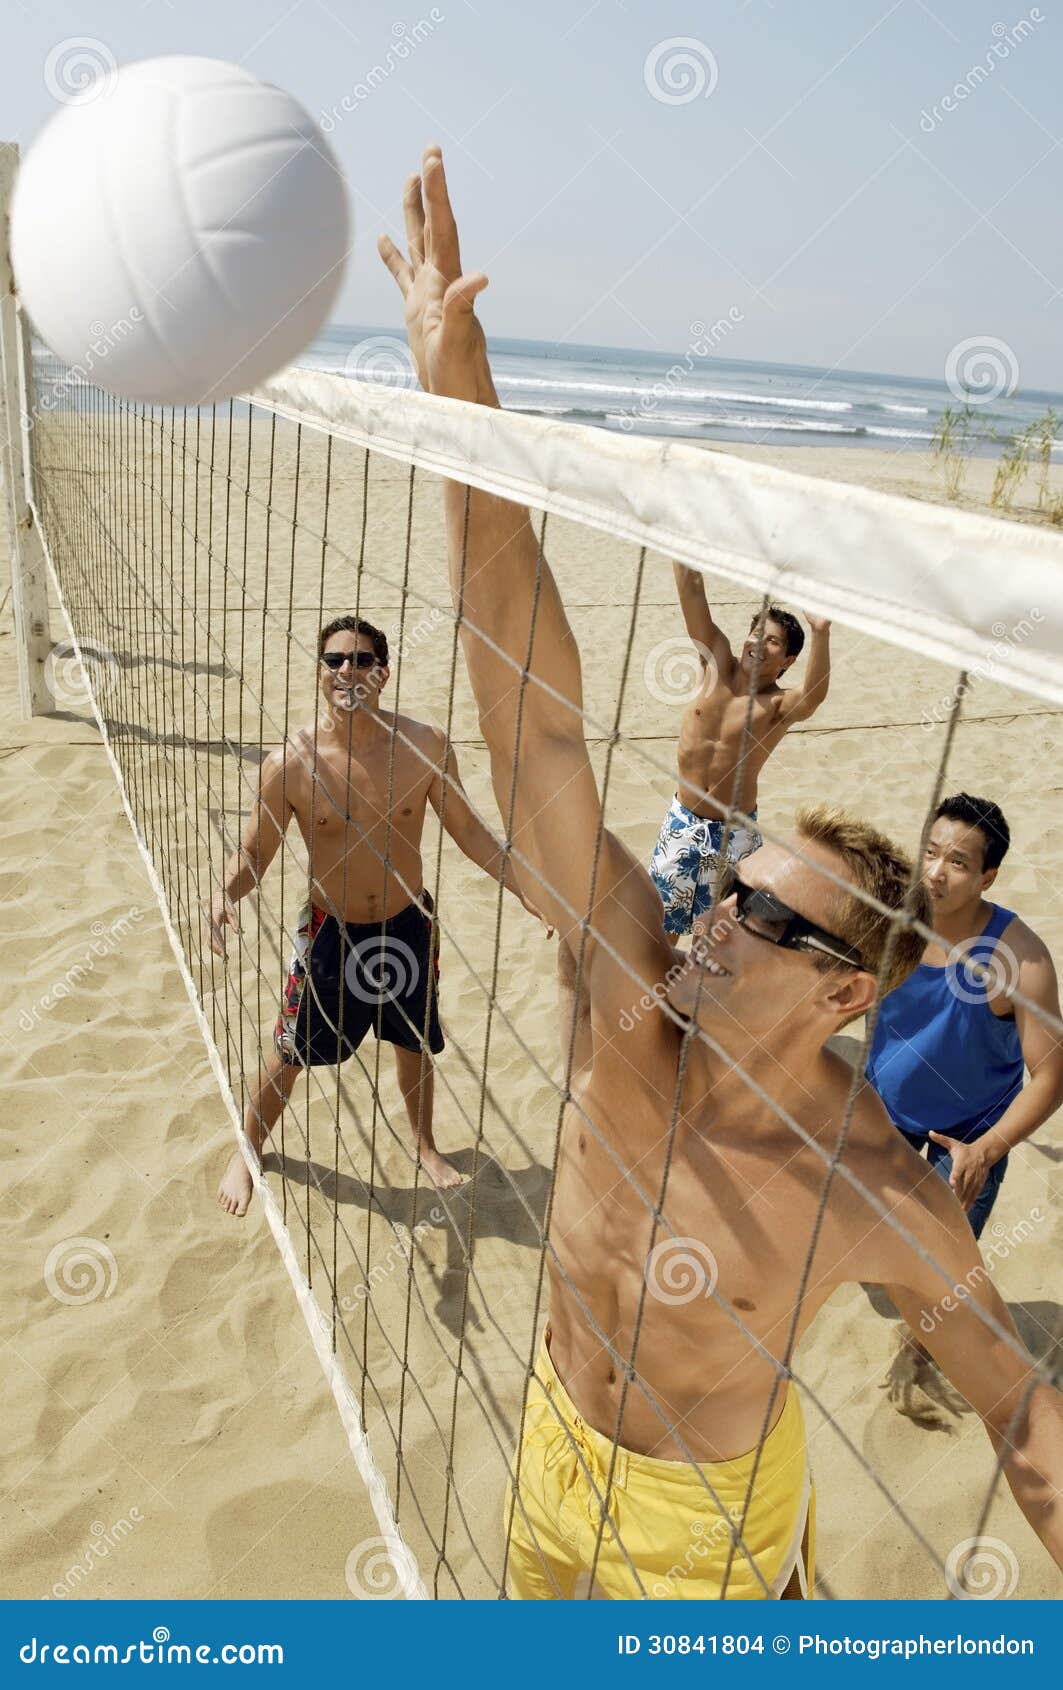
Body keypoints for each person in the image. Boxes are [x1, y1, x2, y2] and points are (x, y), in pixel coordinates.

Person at [377, 144, 1063, 1599]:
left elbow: (1014, 1405)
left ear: (833, 989)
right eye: (725, 879)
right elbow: (530, 713)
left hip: (704, 1528)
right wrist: (461, 396)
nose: (707, 912)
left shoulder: (866, 1182)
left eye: (750, 909)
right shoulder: (627, 975)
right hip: (552, 1441)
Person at [211, 614, 545, 1215]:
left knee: (413, 1042)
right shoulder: (289, 762)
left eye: (362, 660)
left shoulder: (424, 746)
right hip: (329, 932)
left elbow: (470, 831)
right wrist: (223, 894)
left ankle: (424, 1145)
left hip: (408, 924)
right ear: (320, 674)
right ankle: (247, 1148)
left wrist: (526, 889)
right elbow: (256, 853)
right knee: (291, 1051)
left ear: (383, 673)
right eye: (336, 660)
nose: (348, 670)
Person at [867, 793, 1063, 1237]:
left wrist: (984, 1151)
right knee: (867, 1235)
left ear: (986, 879)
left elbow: (1052, 1076)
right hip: (882, 1106)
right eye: (930, 852)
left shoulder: (1020, 958)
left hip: (969, 1132)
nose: (934, 873)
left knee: (943, 1265)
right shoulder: (889, 917)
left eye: (957, 863)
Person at [649, 565, 831, 935]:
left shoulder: (776, 706)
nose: (758, 645)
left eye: (773, 642)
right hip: (683, 821)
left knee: (719, 936)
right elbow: (692, 592)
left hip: (735, 834)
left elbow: (812, 697)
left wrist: (820, 632)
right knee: (662, 928)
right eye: (755, 634)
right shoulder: (715, 661)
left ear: (787, 661)